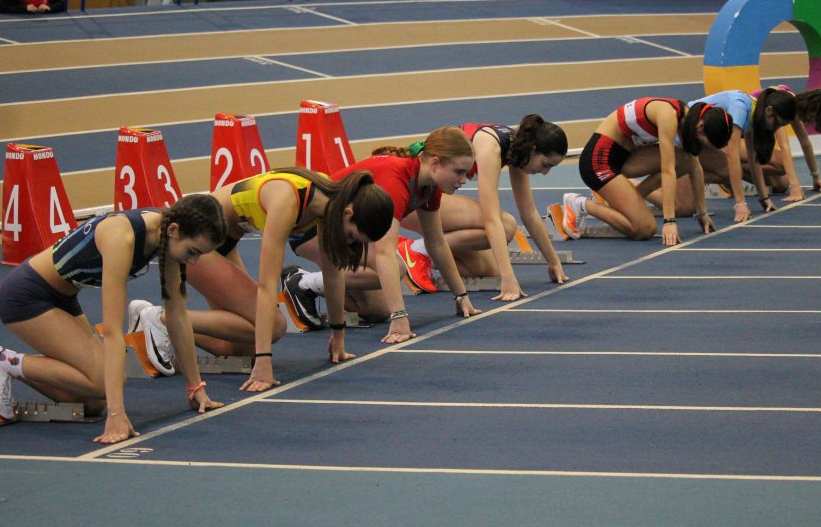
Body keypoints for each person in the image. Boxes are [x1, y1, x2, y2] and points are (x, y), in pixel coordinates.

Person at [0, 194, 226, 444]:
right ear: (174, 230)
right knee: (103, 382)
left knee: (92, 404)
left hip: (63, 298)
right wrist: (117, 414)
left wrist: (195, 388)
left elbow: (177, 317)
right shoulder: (121, 238)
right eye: (193, 251)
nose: (194, 261)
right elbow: (113, 332)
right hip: (25, 297)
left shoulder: (166, 238)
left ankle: (24, 364)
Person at [130, 168, 394, 392]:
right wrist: (265, 362)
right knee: (275, 327)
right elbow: (267, 285)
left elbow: (332, 272)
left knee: (242, 349)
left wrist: (338, 335)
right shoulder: (288, 201)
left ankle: (166, 325)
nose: (348, 242)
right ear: (347, 213)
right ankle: (160, 319)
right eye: (351, 236)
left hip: (224, 240)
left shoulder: (330, 203)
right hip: (196, 242)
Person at [289, 126, 482, 344]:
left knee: (376, 310)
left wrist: (461, 296)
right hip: (312, 229)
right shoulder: (396, 180)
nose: (464, 179)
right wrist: (399, 317)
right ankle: (303, 283)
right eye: (459, 172)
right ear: (435, 163)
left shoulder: (429, 186)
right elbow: (383, 252)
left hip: (351, 233)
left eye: (466, 173)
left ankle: (314, 286)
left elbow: (436, 242)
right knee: (396, 268)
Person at [398, 115, 570, 301]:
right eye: (546, 165)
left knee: (489, 270)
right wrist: (509, 278)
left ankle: (416, 259)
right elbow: (491, 219)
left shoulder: (519, 150)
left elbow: (529, 212)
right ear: (533, 149)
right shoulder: (491, 146)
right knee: (506, 225)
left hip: (431, 198)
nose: (545, 172)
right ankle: (416, 250)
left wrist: (553, 261)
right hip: (413, 199)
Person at [562, 98, 732, 246]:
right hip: (598, 162)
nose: (701, 146)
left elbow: (695, 165)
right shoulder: (668, 116)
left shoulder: (687, 119)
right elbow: (668, 171)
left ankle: (630, 200)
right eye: (704, 143)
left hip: (623, 156)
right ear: (700, 127)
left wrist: (702, 213)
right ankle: (580, 204)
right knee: (645, 228)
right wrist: (669, 221)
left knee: (686, 159)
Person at [692, 88, 797, 222]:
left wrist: (764, 197)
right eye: (777, 124)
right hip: (686, 138)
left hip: (704, 141)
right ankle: (687, 177)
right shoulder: (740, 108)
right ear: (769, 110)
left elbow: (753, 158)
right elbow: (732, 154)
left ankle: (695, 176)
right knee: (686, 208)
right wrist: (740, 203)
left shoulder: (756, 112)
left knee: (728, 170)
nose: (775, 129)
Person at [745, 86, 821, 200]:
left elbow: (805, 142)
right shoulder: (783, 103)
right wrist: (795, 187)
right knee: (780, 163)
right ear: (813, 110)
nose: (813, 123)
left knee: (781, 185)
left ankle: (734, 173)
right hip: (737, 139)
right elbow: (784, 146)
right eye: (817, 119)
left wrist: (816, 176)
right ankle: (728, 169)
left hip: (751, 141)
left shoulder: (794, 106)